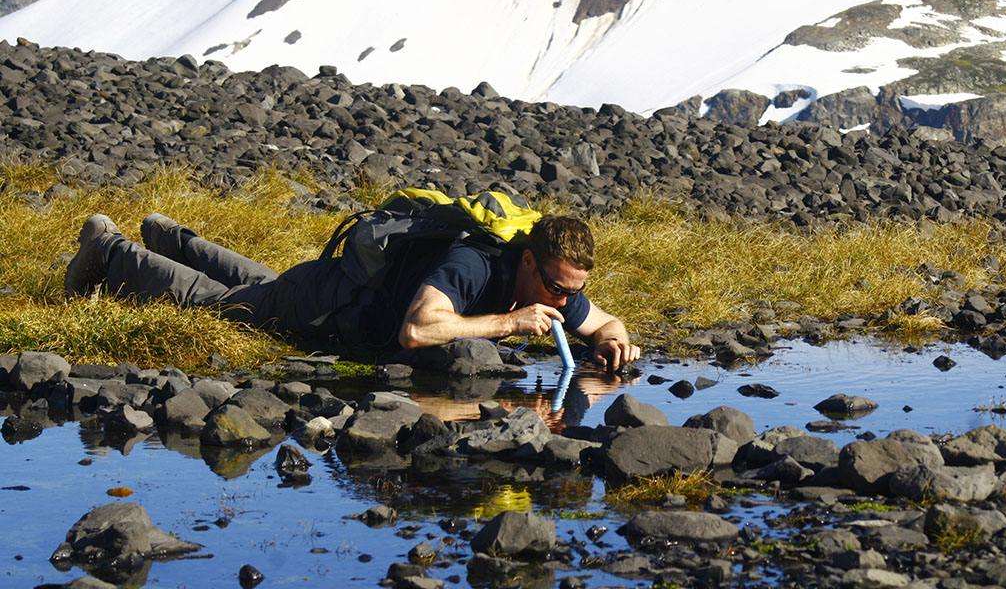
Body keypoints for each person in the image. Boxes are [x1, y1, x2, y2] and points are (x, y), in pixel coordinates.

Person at [63, 211, 641, 371]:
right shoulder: (474, 266)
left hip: (339, 289)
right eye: (557, 288)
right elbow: (417, 330)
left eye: (574, 292)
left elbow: (604, 323)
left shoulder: (556, 288)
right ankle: (112, 249)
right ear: (529, 261)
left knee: (263, 286)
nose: (565, 303)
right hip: (333, 301)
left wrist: (616, 342)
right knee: (231, 309)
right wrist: (508, 324)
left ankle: (174, 237)